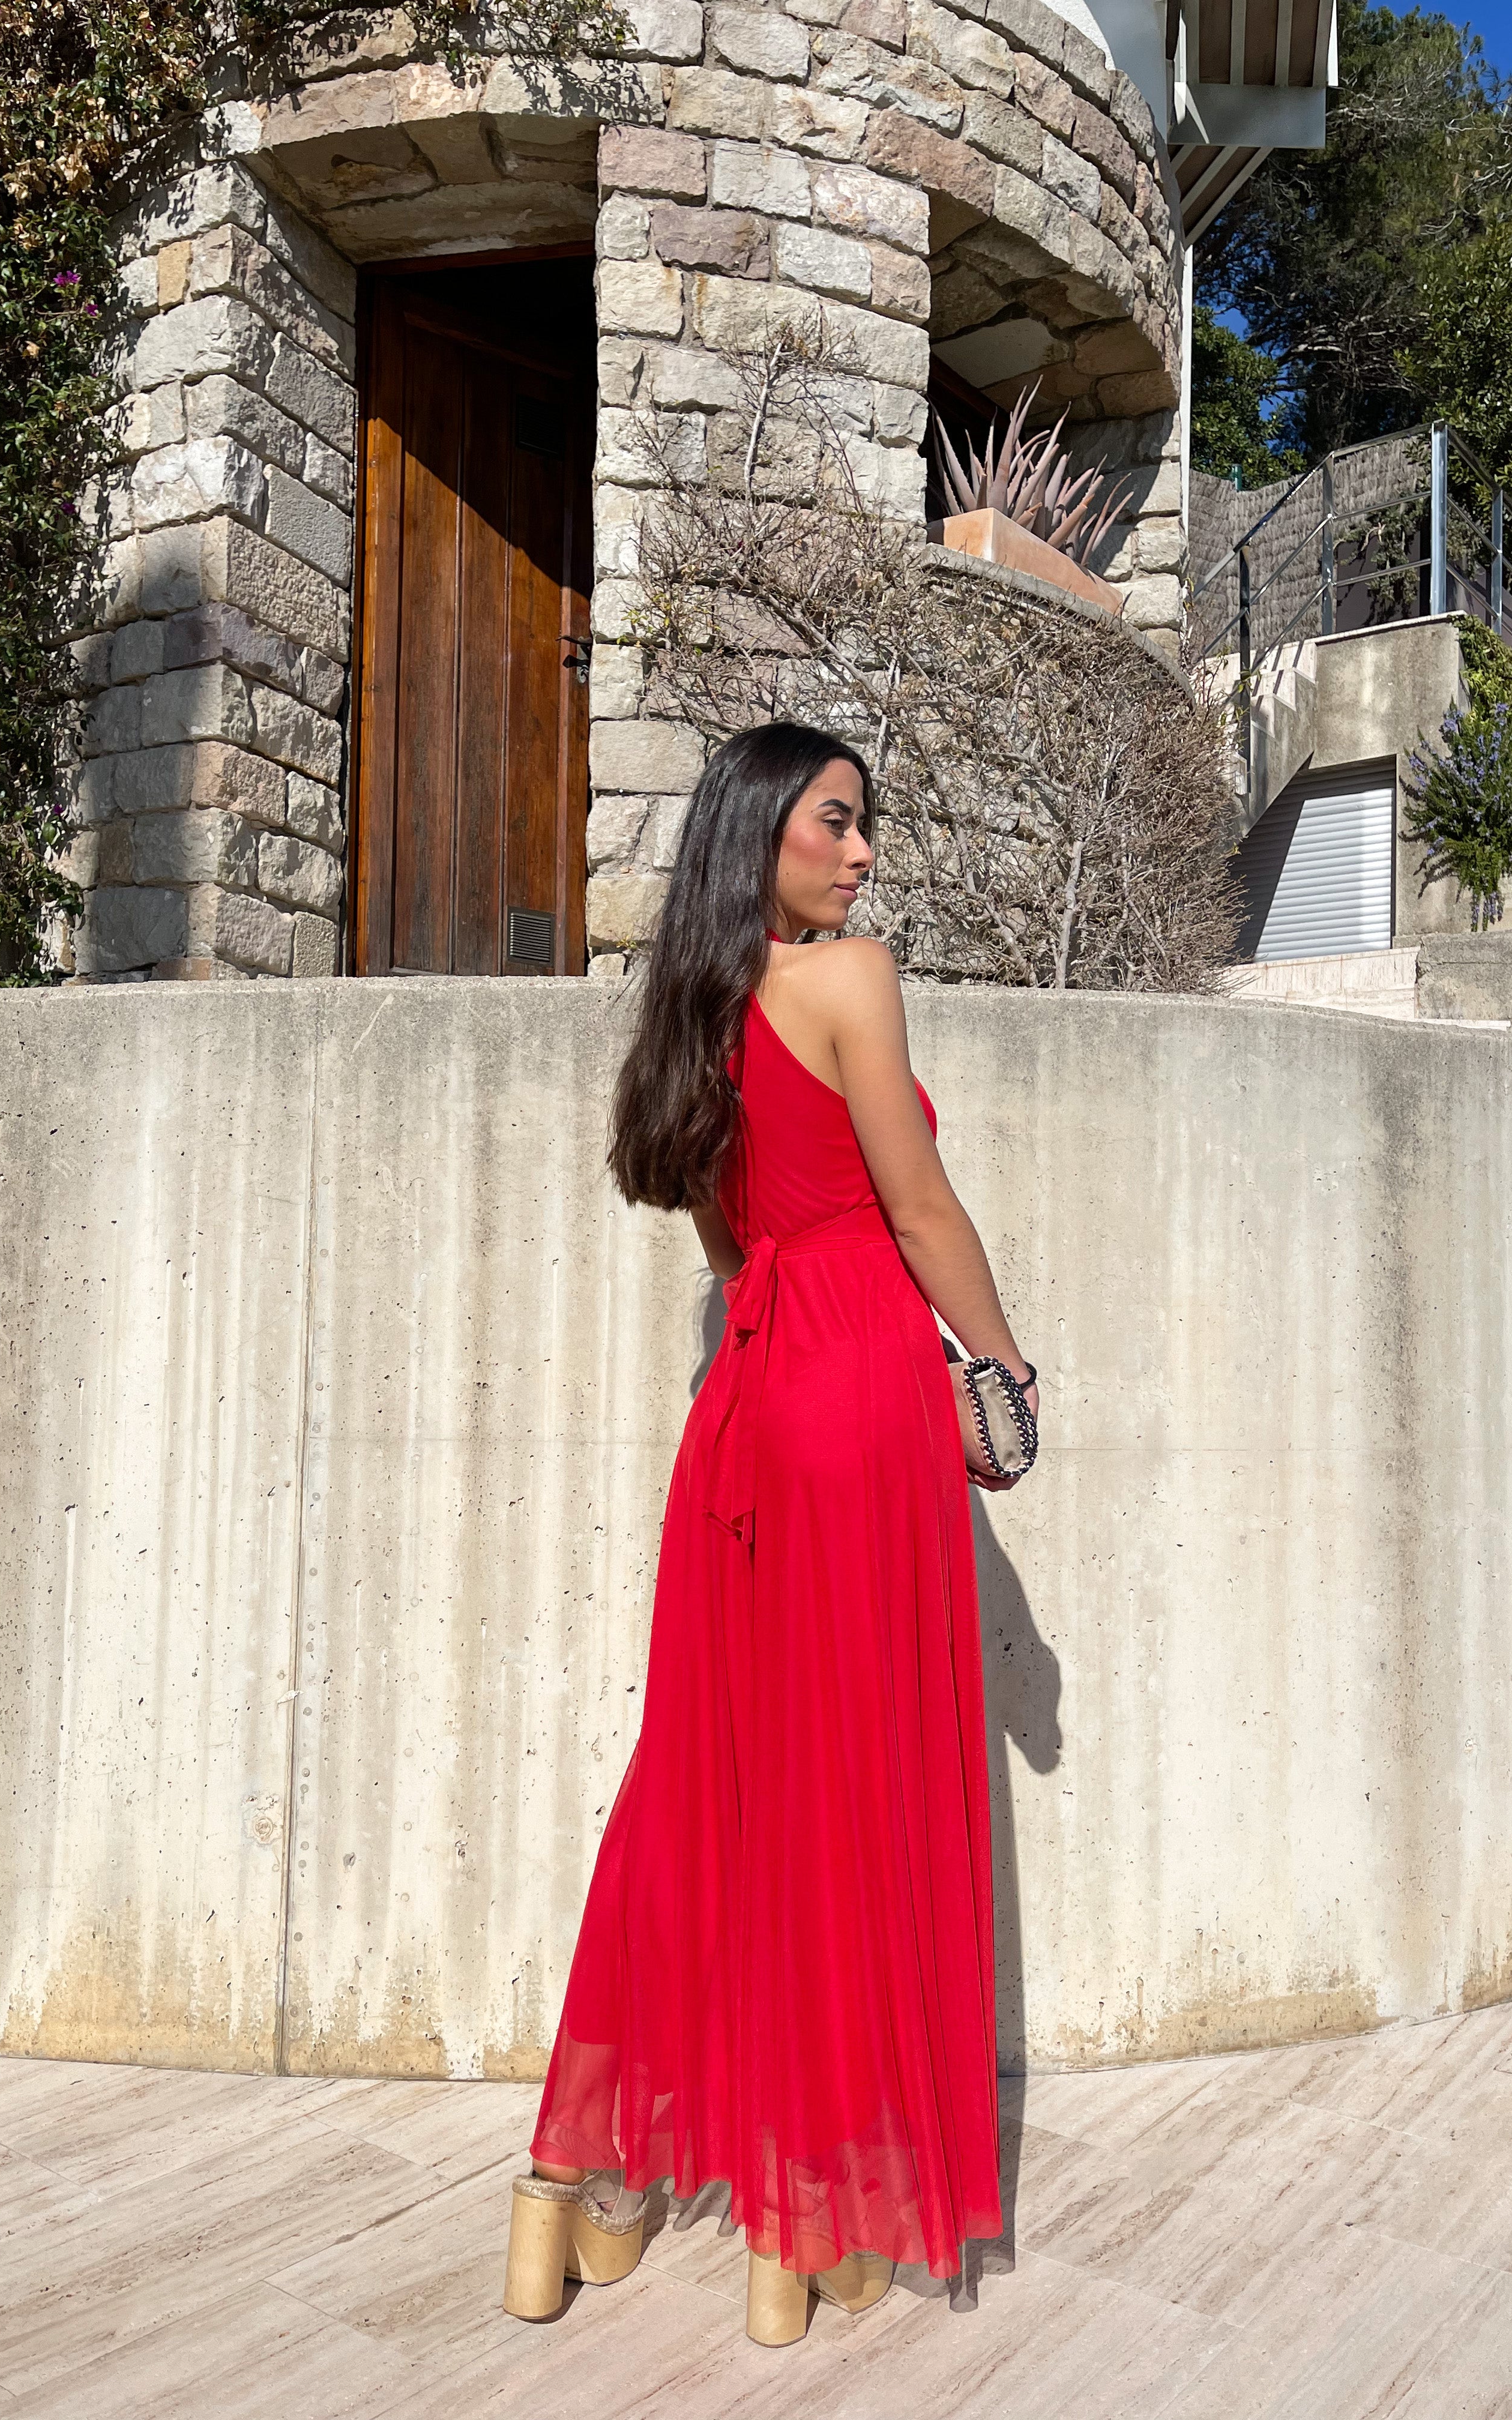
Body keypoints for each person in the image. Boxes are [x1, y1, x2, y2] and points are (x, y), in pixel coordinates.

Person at [501, 721, 1037, 2346]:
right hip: (858, 1394)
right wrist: (1006, 1369)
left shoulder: (693, 1020)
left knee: (704, 1783)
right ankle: (805, 2219)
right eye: (838, 823)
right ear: (764, 836)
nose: (864, 854)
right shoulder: (848, 981)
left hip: (741, 1407)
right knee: (847, 1786)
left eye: (865, 829)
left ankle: (564, 2186)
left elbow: (738, 1234)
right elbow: (917, 1204)